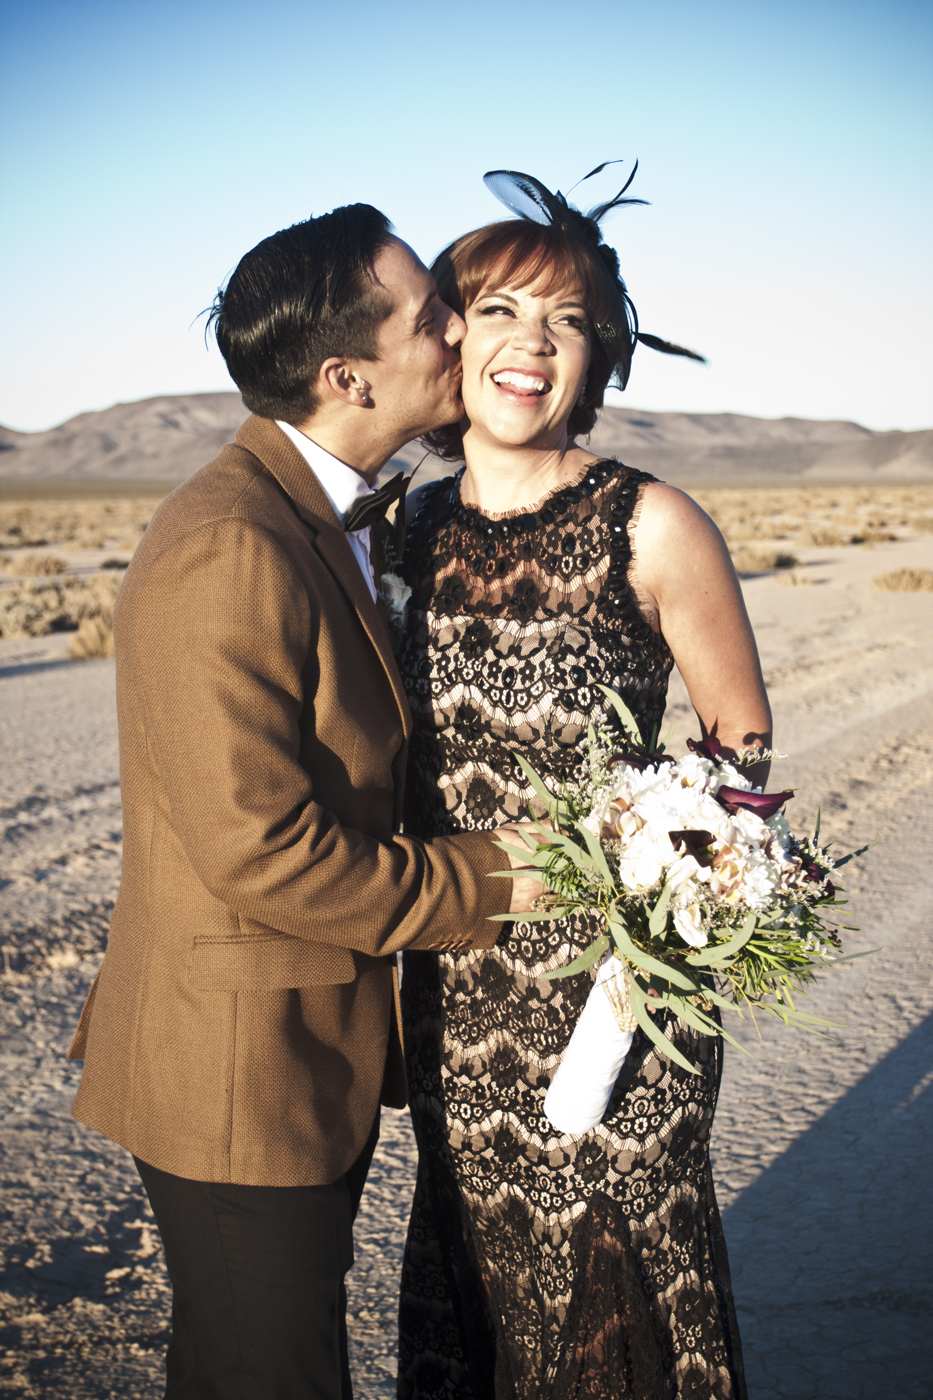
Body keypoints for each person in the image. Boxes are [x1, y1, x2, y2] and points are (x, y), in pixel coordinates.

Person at [66, 203, 538, 1400]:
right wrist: (499, 876)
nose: (460, 332)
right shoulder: (233, 541)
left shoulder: (320, 511)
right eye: (431, 317)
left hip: (298, 1046)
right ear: (348, 377)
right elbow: (263, 850)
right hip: (238, 1066)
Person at [395, 168, 772, 1399]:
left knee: (612, 1293)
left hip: (620, 999)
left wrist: (657, 937)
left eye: (566, 319)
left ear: (597, 353)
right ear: (450, 339)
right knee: (483, 1276)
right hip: (455, 986)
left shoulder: (650, 522)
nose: (532, 342)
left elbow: (739, 745)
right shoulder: (402, 532)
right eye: (499, 310)